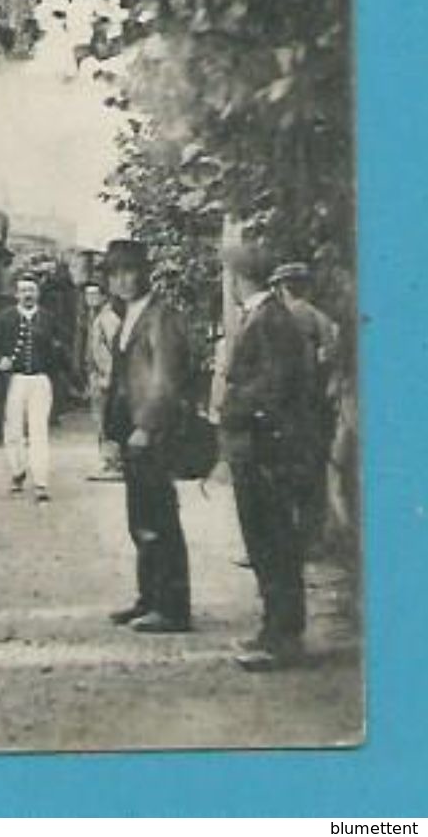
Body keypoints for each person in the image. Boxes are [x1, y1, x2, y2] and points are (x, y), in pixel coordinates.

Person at [223, 245, 318, 671]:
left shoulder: (269, 319)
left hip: (268, 449)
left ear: (239, 276)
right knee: (263, 542)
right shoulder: (264, 315)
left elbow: (275, 386)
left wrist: (238, 408)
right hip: (258, 446)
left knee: (275, 542)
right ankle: (271, 629)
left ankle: (284, 639)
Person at [102, 239, 194, 634]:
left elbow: (165, 381)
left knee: (159, 517)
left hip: (151, 434)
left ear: (145, 273)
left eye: (129, 271)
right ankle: (149, 598)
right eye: (114, 273)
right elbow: (119, 381)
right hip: (132, 434)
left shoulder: (160, 317)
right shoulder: (127, 316)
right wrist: (111, 430)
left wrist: (147, 426)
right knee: (140, 518)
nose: (122, 280)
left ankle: (172, 608)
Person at [269, 261, 341, 555]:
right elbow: (332, 362)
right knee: (311, 474)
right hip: (316, 406)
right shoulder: (322, 319)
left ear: (281, 287)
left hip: (286, 407)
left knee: (281, 474)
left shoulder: (280, 317)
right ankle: (311, 540)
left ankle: (286, 542)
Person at [0, 272, 69, 502]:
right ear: (16, 294)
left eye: (31, 290)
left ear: (38, 294)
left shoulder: (49, 319)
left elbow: (62, 350)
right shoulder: (4, 319)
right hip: (14, 381)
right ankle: (17, 471)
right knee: (13, 430)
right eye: (23, 290)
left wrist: (56, 355)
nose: (27, 295)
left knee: (39, 430)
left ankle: (41, 482)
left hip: (40, 381)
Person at [80, 281, 124, 478]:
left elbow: (117, 350)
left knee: (107, 419)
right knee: (100, 419)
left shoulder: (108, 319)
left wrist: (109, 375)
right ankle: (108, 461)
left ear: (104, 297)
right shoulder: (94, 318)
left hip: (108, 377)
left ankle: (113, 462)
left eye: (95, 294)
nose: (90, 298)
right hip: (97, 376)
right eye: (87, 295)